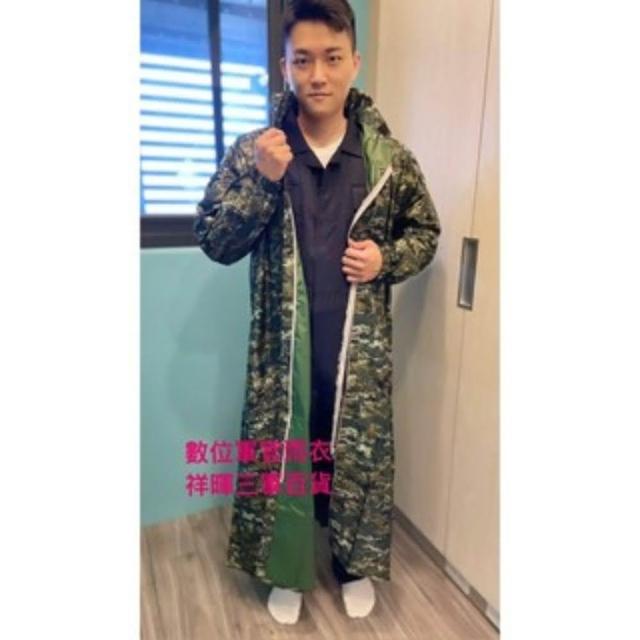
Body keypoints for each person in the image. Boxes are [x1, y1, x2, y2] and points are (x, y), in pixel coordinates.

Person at [193, 0, 441, 625]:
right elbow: (215, 240)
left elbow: (425, 233)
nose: (318, 75)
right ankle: (287, 567)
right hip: (284, 355)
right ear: (284, 67)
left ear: (355, 62)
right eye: (302, 60)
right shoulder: (257, 152)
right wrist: (262, 182)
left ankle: (353, 565)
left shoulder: (389, 160)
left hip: (358, 351)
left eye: (332, 58)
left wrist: (386, 258)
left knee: (353, 458)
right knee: (287, 455)